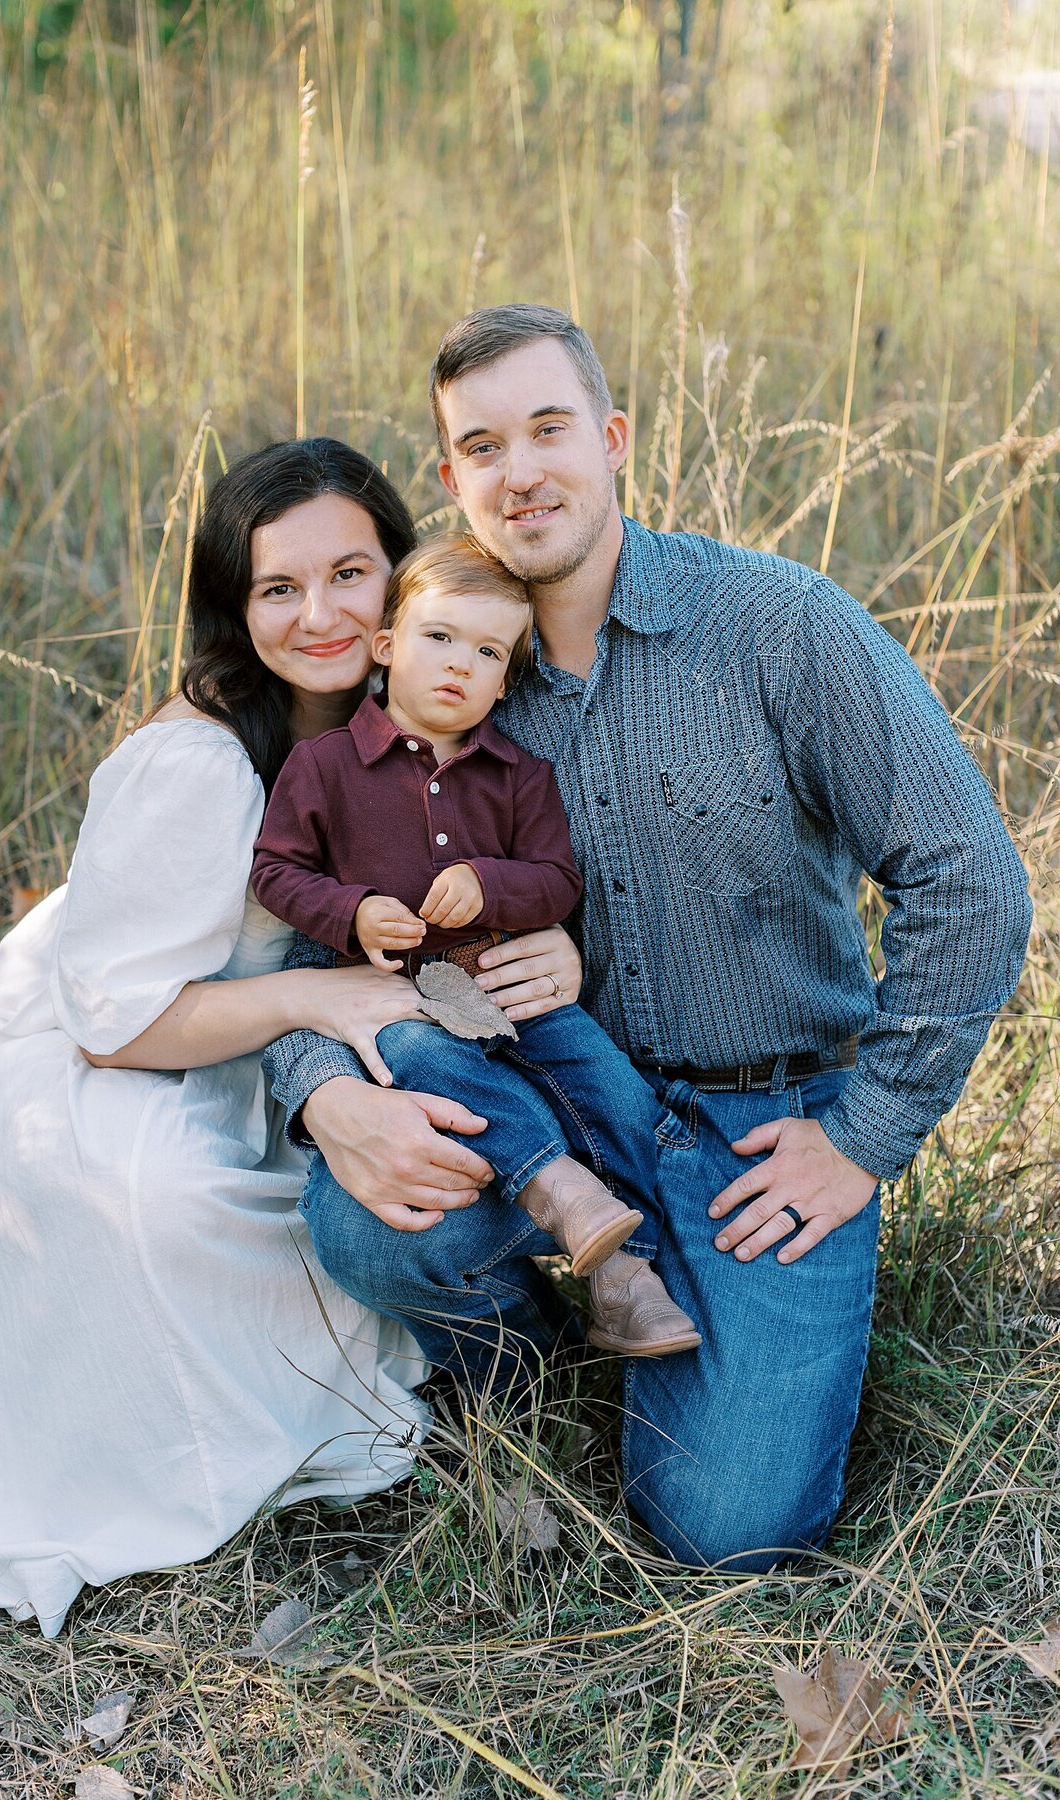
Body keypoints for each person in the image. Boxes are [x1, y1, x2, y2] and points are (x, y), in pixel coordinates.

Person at [264, 305, 1034, 1572]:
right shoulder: (455, 679)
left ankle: (705, 1342)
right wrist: (323, 1096)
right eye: (482, 447)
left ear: (612, 439)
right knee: (363, 1222)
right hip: (562, 1104)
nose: (521, 472)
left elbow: (972, 883)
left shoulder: (779, 628)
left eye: (549, 430)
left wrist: (864, 1141)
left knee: (725, 1531)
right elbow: (320, 947)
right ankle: (540, 1363)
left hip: (766, 1128)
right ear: (452, 480)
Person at [0, 436, 582, 1637]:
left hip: (255, 995)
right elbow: (112, 1017)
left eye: (351, 575)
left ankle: (536, 1295)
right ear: (235, 602)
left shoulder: (424, 677)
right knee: (174, 1198)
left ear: (398, 582)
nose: (319, 615)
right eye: (277, 588)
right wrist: (318, 1009)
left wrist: (549, 935)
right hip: (124, 1011)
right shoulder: (199, 763)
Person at [251, 533, 701, 1356]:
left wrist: (492, 884)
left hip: (505, 987)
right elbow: (276, 873)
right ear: (386, 647)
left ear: (506, 677)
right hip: (397, 997)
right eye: (439, 637)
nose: (460, 664)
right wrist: (351, 912)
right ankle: (555, 1187)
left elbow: (558, 882)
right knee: (422, 1055)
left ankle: (623, 1276)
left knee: (609, 1086)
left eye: (488, 650)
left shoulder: (518, 773)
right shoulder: (323, 768)